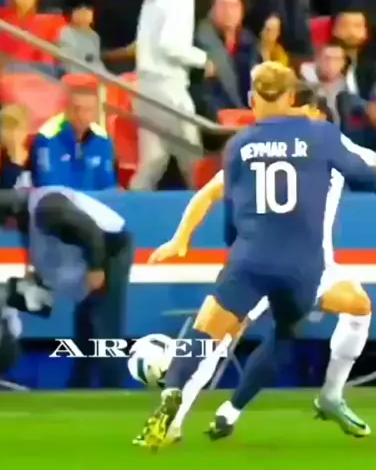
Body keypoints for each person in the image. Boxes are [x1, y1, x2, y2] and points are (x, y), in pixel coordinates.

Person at [137, 62, 376, 448]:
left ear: (254, 99)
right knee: (278, 333)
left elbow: (222, 201)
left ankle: (182, 409)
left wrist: (192, 240)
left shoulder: (242, 144)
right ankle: (194, 415)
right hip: (305, 266)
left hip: (257, 259)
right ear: (293, 100)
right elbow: (367, 173)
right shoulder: (324, 139)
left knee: (211, 332)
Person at [0, 185, 133, 388]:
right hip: (94, 252)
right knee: (85, 323)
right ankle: (81, 384)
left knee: (104, 322)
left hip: (110, 250)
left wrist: (96, 268)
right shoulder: (31, 216)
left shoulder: (48, 209)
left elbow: (91, 232)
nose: (4, 229)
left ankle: (113, 385)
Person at [129, 0, 215, 190]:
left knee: (153, 161)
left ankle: (130, 205)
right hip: (168, 87)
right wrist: (203, 60)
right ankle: (208, 207)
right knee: (193, 160)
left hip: (146, 86)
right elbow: (171, 45)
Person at [31, 86, 116, 190]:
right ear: (67, 110)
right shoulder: (48, 137)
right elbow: (49, 185)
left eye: (88, 110)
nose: (81, 114)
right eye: (76, 108)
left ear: (96, 114)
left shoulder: (103, 140)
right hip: (60, 200)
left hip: (92, 200)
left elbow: (108, 186)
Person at [59, 0, 106, 75]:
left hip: (97, 76)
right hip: (76, 77)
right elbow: (69, 66)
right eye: (78, 8)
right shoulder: (65, 33)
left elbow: (96, 63)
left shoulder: (94, 36)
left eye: (88, 8)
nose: (84, 12)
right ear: (69, 12)